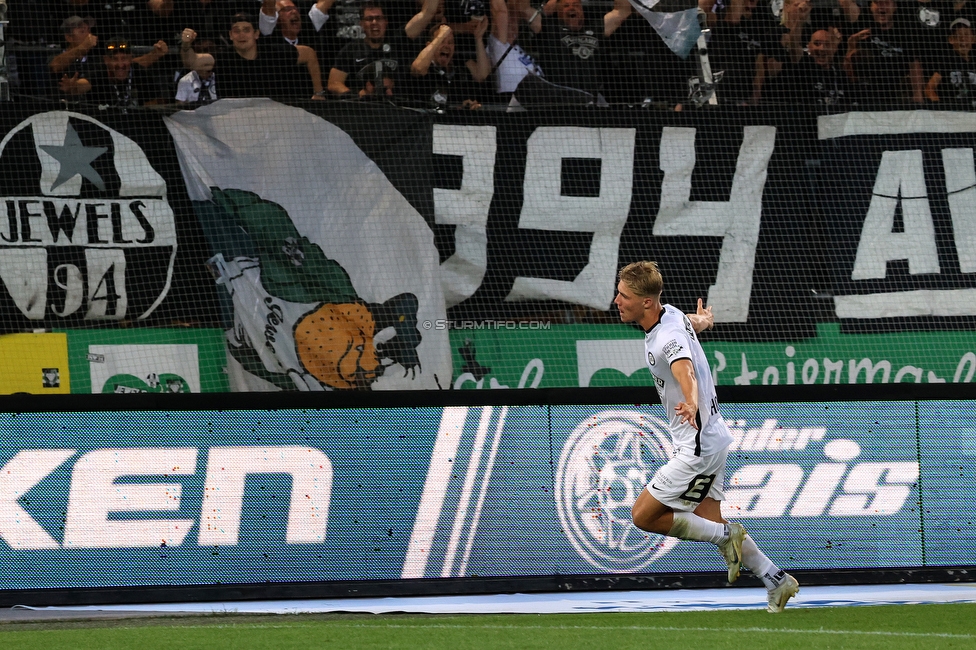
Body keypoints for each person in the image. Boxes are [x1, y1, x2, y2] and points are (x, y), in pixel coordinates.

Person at [615, 261, 800, 614]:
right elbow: (692, 322)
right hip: (714, 438)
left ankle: (727, 538)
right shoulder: (670, 316)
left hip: (697, 446)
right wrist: (706, 320)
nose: (617, 300)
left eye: (625, 296)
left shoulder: (666, 339)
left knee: (643, 516)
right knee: (711, 520)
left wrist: (691, 400)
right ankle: (776, 579)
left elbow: (685, 370)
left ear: (646, 303)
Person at [180, 13, 324, 100]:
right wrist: (186, 45)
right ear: (230, 35)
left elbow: (309, 54)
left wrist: (318, 93)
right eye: (236, 31)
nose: (241, 35)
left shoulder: (274, 52)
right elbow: (191, 62)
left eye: (246, 30)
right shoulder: (223, 57)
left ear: (256, 34)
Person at [844, 0, 924, 105]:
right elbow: (848, 72)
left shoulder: (905, 31)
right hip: (867, 91)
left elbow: (914, 64)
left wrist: (918, 95)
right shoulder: (862, 27)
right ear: (870, 7)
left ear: (895, 6)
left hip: (897, 90)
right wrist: (851, 45)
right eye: (877, 2)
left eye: (886, 2)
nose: (881, 7)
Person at [327, 2, 408, 97]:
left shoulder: (398, 43)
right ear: (361, 23)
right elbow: (333, 83)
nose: (374, 22)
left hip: (396, 107)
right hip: (362, 108)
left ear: (386, 21)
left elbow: (425, 15)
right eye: (369, 19)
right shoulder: (350, 49)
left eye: (378, 18)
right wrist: (358, 95)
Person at [406, 19, 490, 108]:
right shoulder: (422, 62)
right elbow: (418, 69)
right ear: (429, 45)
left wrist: (478, 38)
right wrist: (441, 34)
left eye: (450, 42)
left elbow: (482, 76)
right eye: (442, 41)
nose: (446, 46)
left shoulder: (459, 63)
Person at [88, 37, 171, 108]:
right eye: (115, 59)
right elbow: (82, 85)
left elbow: (153, 104)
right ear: (106, 60)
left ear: (130, 58)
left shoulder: (141, 74)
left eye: (124, 59)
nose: (120, 65)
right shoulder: (98, 75)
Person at [925, 17, 976, 107]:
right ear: (951, 40)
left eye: (966, 35)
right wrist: (941, 108)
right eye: (958, 35)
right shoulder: (946, 61)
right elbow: (929, 88)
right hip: (952, 113)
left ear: (973, 39)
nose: (963, 39)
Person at [49, 15, 99, 97]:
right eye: (82, 31)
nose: (88, 35)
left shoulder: (95, 60)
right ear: (69, 38)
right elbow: (55, 66)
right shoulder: (56, 57)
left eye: (88, 30)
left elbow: (89, 82)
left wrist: (75, 86)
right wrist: (83, 47)